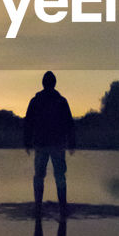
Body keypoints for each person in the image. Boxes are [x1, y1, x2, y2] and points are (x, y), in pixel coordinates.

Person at [24, 70, 75, 211]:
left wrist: (27, 141)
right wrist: (71, 142)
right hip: (57, 144)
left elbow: (28, 122)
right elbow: (69, 123)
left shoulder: (36, 101)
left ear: (43, 83)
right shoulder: (61, 101)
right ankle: (62, 207)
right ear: (54, 83)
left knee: (39, 175)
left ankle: (38, 206)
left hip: (41, 143)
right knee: (59, 176)